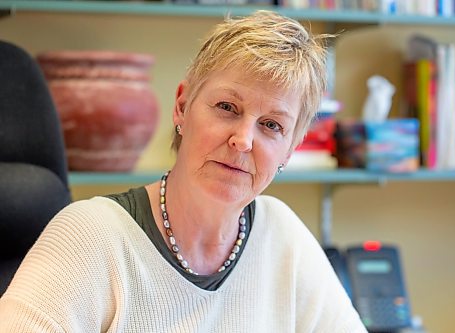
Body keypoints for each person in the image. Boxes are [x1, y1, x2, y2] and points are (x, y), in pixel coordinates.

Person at [0, 10, 367, 332]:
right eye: (227, 106)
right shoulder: (91, 236)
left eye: (272, 125)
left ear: (291, 148)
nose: (243, 140)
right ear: (182, 106)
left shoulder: (283, 237)